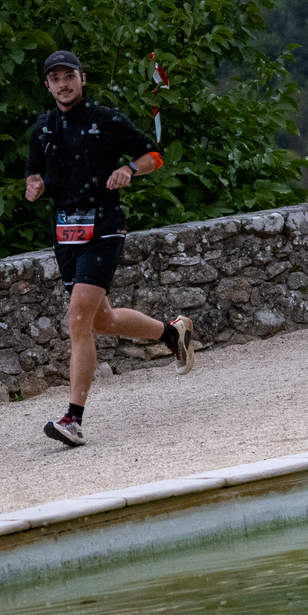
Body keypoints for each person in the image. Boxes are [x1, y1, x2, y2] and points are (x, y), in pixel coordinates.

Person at [25, 49, 196, 447]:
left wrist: (129, 168)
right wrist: (35, 186)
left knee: (77, 318)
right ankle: (171, 334)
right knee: (102, 320)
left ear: (82, 79)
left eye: (69, 76)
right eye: (55, 79)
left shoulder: (106, 120)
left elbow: (155, 155)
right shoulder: (44, 128)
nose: (63, 84)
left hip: (104, 226)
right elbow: (34, 173)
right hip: (65, 231)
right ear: (48, 85)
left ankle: (73, 419)